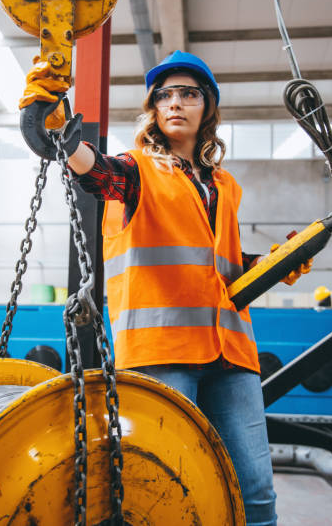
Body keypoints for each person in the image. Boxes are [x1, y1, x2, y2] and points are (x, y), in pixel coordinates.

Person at [20, 50, 313, 526]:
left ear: (208, 107)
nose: (176, 102)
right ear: (154, 108)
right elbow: (94, 170)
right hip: (162, 353)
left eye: (189, 94)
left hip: (231, 355)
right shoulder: (135, 172)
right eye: (165, 95)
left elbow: (227, 273)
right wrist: (54, 131)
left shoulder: (226, 186)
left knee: (255, 489)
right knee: (164, 492)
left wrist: (279, 263)